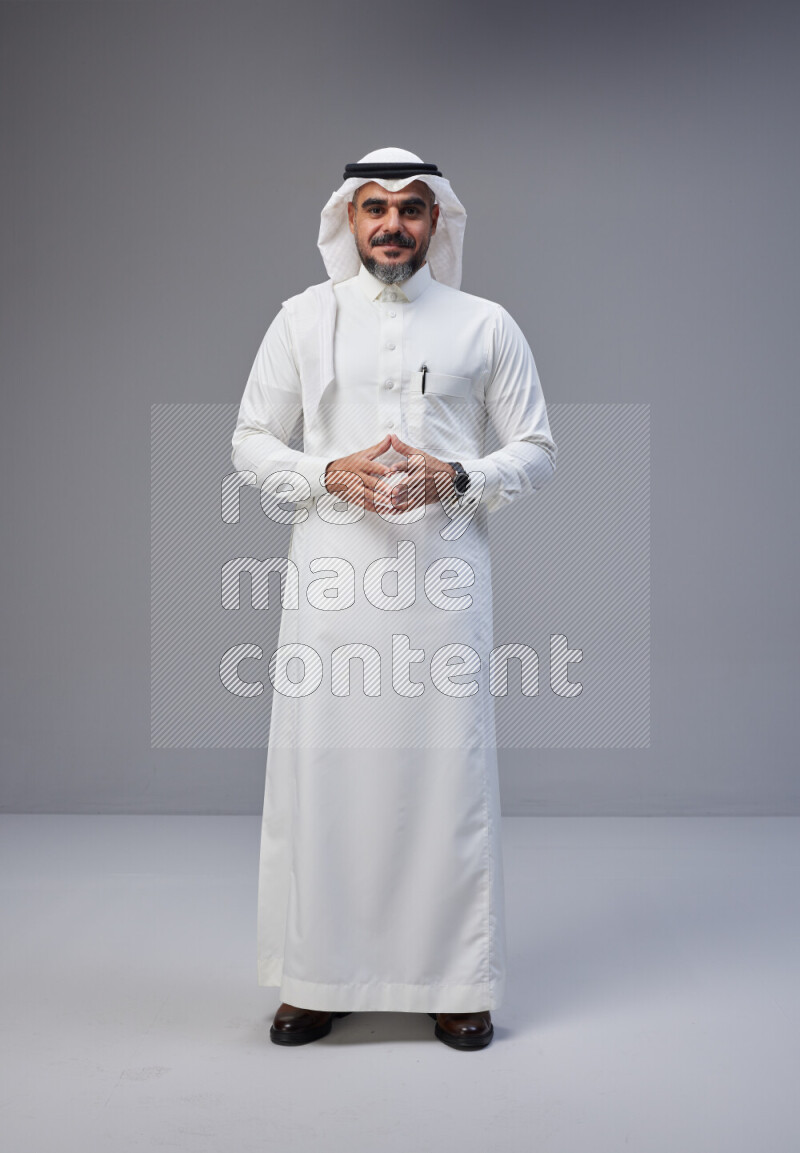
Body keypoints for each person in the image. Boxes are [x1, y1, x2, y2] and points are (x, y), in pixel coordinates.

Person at [230, 147, 557, 1051]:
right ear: (348, 218)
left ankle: (455, 980)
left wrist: (456, 476)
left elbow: (536, 447)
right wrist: (323, 469)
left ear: (437, 221)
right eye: (374, 207)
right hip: (331, 587)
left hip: (442, 589)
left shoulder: (484, 324)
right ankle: (315, 977)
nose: (392, 225)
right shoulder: (302, 319)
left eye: (411, 209)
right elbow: (251, 439)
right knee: (325, 772)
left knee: (444, 777)